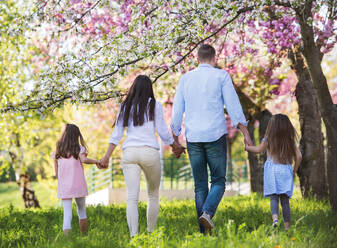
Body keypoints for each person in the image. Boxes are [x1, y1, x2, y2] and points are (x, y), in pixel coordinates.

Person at [170, 44, 252, 234]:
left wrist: (175, 139)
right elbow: (233, 105)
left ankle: (203, 232)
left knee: (200, 185)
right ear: (214, 58)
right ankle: (207, 213)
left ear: (197, 59)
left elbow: (177, 111)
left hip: (194, 137)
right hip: (215, 135)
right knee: (218, 181)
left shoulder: (186, 79)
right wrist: (245, 132)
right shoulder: (221, 76)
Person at [99, 75, 183, 237]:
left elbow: (116, 135)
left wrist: (106, 157)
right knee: (153, 194)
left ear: (133, 88)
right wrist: (175, 146)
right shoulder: (155, 106)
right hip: (149, 152)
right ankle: (151, 233)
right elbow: (163, 132)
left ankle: (134, 236)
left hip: (130, 153)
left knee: (132, 197)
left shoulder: (125, 106)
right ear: (149, 89)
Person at [244, 114, 302, 231]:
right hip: (285, 170)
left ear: (272, 127)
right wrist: (294, 170)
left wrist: (247, 147)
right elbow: (299, 156)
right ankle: (287, 228)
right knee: (285, 201)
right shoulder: (290, 140)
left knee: (274, 198)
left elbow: (258, 150)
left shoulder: (268, 139)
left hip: (272, 170)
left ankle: (275, 220)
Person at [53, 124, 100, 235]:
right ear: (76, 135)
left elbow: (55, 164)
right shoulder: (79, 149)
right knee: (82, 211)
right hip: (78, 184)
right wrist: (96, 162)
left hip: (64, 186)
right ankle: (84, 236)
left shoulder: (59, 149)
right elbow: (84, 160)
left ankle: (67, 242)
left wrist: (58, 176)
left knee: (67, 213)